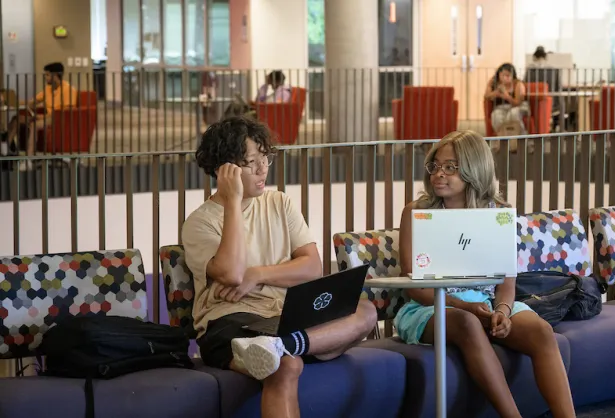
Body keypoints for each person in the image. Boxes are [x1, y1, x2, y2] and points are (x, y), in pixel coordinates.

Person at [181, 116, 377, 418]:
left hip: (282, 318)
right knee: (286, 364)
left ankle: (285, 344)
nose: (263, 170)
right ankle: (294, 348)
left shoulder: (280, 203)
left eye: (266, 158)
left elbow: (312, 266)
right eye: (251, 162)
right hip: (230, 322)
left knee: (365, 311)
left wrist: (258, 274)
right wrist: (233, 202)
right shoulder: (201, 222)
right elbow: (232, 273)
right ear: (225, 171)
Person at [396, 130, 576, 418]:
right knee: (468, 323)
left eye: (450, 167)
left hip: (486, 302)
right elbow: (415, 288)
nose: (438, 174)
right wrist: (467, 306)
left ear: (473, 170)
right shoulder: (416, 212)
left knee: (541, 331)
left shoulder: (497, 214)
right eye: (435, 166)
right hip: (431, 306)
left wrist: (502, 310)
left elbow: (507, 282)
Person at [6, 62, 77, 170]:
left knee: (34, 125)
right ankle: (5, 150)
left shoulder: (69, 89)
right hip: (46, 117)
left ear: (55, 75)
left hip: (58, 119)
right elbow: (32, 102)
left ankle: (29, 160)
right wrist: (12, 102)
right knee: (16, 119)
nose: (45, 77)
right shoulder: (48, 89)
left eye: (47, 75)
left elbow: (66, 111)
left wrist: (42, 117)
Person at [485, 63, 528, 140]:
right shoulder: (493, 82)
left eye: (508, 75)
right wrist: (496, 92)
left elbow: (517, 103)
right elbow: (486, 96)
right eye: (503, 75)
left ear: (512, 76)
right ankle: (503, 140)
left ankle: (521, 138)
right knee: (496, 116)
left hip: (517, 107)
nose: (505, 78)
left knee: (513, 114)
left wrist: (506, 95)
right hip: (500, 108)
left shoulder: (518, 84)